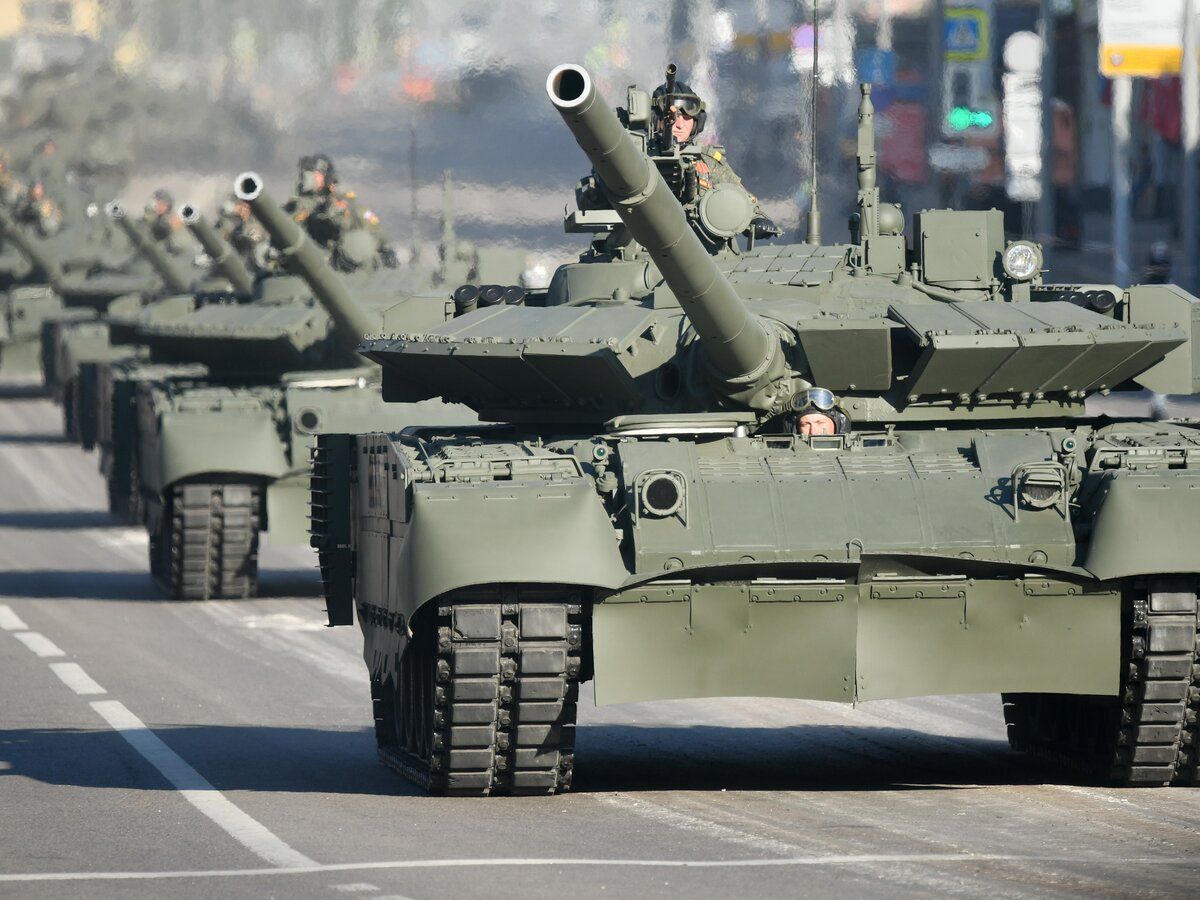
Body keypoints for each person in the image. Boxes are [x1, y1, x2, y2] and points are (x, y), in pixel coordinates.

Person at [650, 67, 779, 238]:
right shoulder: (637, 159)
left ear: (697, 122)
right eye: (674, 118)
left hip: (700, 242)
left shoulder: (707, 159)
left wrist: (755, 219)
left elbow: (739, 196)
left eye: (687, 117)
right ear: (656, 119)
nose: (680, 124)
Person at [284, 153, 397, 269]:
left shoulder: (341, 201)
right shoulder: (299, 204)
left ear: (326, 176)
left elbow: (346, 223)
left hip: (347, 259)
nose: (309, 176)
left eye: (316, 173)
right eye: (307, 172)